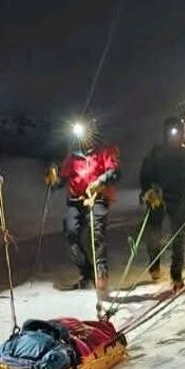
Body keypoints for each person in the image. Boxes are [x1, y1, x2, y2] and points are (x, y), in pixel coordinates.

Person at [44, 118, 120, 292]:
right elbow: (62, 178)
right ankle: (87, 273)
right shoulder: (72, 156)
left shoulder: (103, 150)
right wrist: (53, 180)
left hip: (97, 197)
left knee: (96, 232)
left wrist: (100, 182)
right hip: (76, 200)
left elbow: (114, 171)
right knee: (71, 232)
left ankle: (101, 273)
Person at [139, 115, 185, 291]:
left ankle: (176, 274)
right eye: (173, 132)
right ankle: (154, 264)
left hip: (180, 198)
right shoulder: (157, 153)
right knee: (154, 231)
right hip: (158, 197)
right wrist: (148, 191)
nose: (177, 136)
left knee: (178, 236)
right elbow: (145, 175)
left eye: (181, 132)